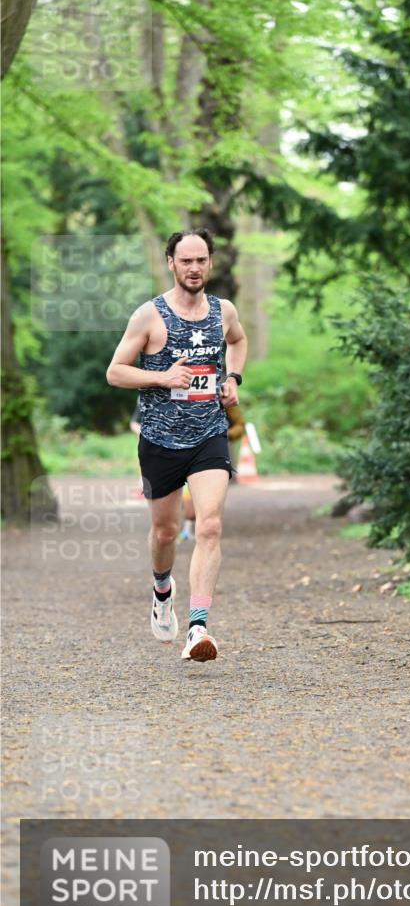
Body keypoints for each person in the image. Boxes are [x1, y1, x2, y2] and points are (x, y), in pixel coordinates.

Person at [106, 228, 247, 662]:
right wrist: (162, 377)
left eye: (201, 260)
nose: (194, 268)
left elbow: (238, 342)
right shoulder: (149, 316)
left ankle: (198, 627)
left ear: (210, 262)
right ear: (171, 262)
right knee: (166, 531)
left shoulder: (223, 311)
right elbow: (115, 371)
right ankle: (161, 589)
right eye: (186, 260)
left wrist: (232, 378)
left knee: (208, 526)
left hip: (208, 435)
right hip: (160, 441)